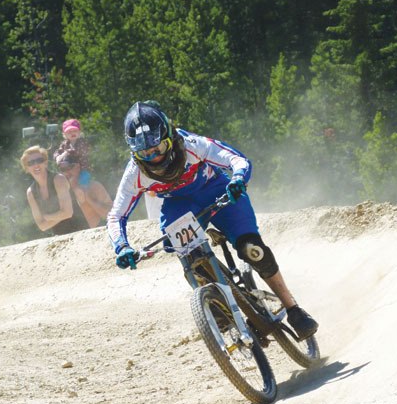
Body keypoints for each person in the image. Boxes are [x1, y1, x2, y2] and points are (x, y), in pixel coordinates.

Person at [106, 101, 319, 340]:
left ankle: (293, 308)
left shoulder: (191, 145)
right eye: (144, 153)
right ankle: (216, 304)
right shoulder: (135, 173)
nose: (153, 158)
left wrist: (238, 179)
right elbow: (116, 215)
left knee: (253, 249)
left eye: (157, 149)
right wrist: (122, 246)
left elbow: (237, 160)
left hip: (215, 189)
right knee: (189, 257)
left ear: (170, 137)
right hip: (180, 204)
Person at [21, 145, 88, 235]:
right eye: (31, 163)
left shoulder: (58, 179)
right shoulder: (31, 192)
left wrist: (48, 217)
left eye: (39, 160)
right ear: (27, 168)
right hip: (60, 238)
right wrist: (60, 214)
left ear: (45, 163)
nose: (36, 165)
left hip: (81, 233)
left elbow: (68, 213)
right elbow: (42, 226)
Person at [55, 149, 113, 228]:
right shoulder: (61, 194)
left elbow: (111, 215)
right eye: (62, 169)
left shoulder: (93, 187)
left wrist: (88, 198)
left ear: (78, 166)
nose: (66, 172)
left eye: (69, 167)